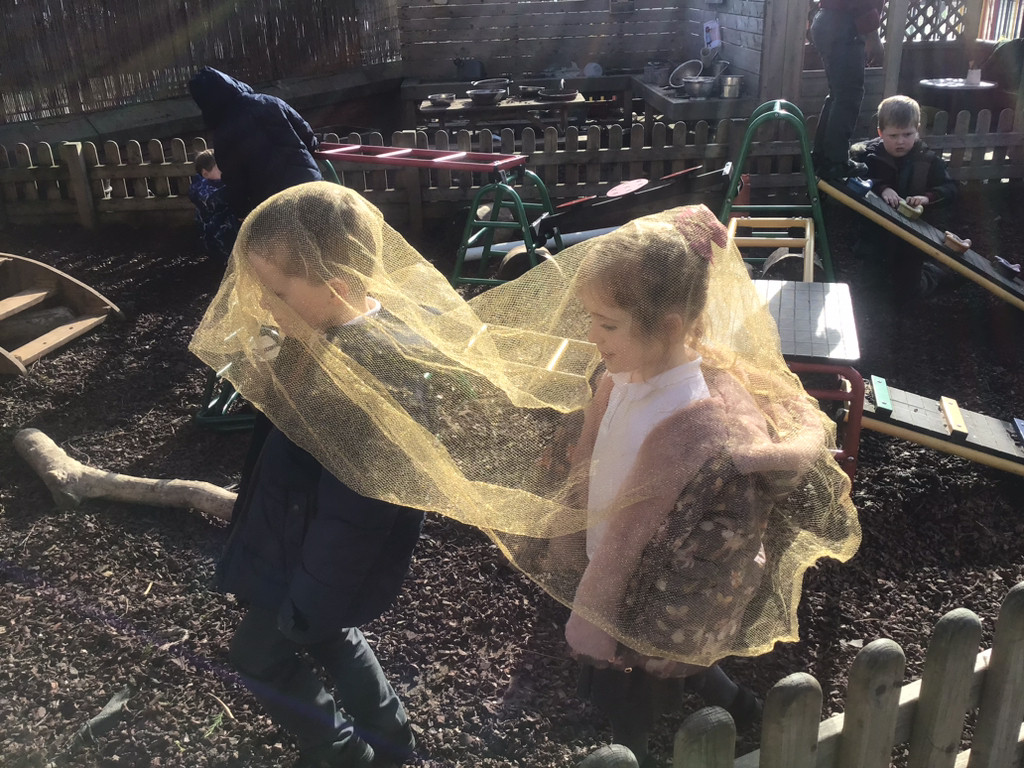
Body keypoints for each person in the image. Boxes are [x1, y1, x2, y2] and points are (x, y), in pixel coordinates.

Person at [557, 208, 829, 765]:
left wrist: (592, 618)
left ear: (668, 326)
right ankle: (740, 703)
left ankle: (630, 750)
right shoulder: (626, 375)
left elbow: (637, 542)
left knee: (633, 686)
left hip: (653, 590)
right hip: (620, 557)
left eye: (608, 325)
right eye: (592, 319)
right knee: (679, 662)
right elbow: (599, 464)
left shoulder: (687, 421)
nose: (592, 336)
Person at [214, 184, 427, 768]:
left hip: (315, 559)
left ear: (337, 287)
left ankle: (341, 749)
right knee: (330, 635)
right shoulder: (318, 333)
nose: (264, 305)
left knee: (258, 655)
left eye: (277, 292)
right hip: (296, 536)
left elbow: (358, 512)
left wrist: (313, 595)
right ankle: (391, 739)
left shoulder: (368, 376)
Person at [188, 66, 325, 503]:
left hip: (278, 215)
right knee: (322, 275)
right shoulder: (269, 102)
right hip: (318, 198)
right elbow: (309, 137)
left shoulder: (225, 134)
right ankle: (326, 344)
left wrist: (238, 214)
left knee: (276, 294)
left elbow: (240, 185)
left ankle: (282, 369)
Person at [850, 94, 958, 299]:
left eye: (908, 134)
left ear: (918, 130)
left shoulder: (927, 160)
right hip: (875, 239)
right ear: (880, 132)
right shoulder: (868, 156)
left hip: (911, 241)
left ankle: (934, 273)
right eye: (893, 136)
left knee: (909, 291)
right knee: (868, 290)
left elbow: (950, 188)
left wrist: (927, 198)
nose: (900, 141)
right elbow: (856, 177)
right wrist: (882, 188)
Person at [809, 0, 885, 180]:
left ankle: (821, 156)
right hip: (843, 24)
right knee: (848, 95)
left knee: (838, 94)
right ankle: (835, 162)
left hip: (830, 21)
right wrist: (873, 35)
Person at [187, 149, 239, 264]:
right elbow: (219, 197)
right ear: (206, 174)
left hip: (212, 230)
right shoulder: (208, 190)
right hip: (219, 231)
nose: (226, 170)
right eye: (220, 168)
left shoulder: (201, 185)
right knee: (227, 252)